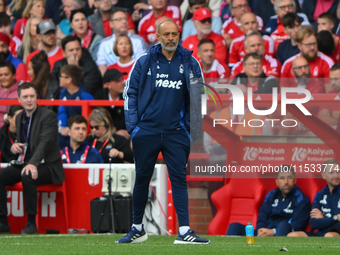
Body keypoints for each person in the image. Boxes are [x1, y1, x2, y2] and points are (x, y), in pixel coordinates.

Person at [116, 20, 209, 244]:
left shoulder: (190, 61)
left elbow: (199, 98)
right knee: (142, 179)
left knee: (178, 180)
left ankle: (184, 231)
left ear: (179, 35)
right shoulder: (144, 60)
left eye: (174, 34)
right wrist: (134, 128)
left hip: (177, 132)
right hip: (146, 130)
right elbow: (130, 93)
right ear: (157, 36)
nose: (170, 38)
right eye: (166, 34)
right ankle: (137, 228)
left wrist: (190, 131)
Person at [0, 82, 65, 234]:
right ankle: (3, 222)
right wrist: (15, 146)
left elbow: (45, 143)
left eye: (31, 96)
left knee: (27, 174)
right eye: (25, 97)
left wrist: (33, 164)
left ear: (37, 97)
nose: (29, 100)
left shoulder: (48, 116)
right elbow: (24, 141)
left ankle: (31, 223)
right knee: (1, 176)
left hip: (48, 165)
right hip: (25, 162)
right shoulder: (19, 117)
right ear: (19, 99)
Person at [227, 165, 311, 236]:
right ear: (277, 181)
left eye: (289, 178)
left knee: (283, 225)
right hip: (265, 232)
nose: (286, 182)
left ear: (295, 180)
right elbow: (262, 215)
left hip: (283, 235)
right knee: (234, 227)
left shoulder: (302, 199)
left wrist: (273, 231)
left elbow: (296, 226)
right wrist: (261, 231)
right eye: (282, 178)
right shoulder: (271, 195)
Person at [288, 159, 340, 237]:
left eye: (338, 172)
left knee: (329, 236)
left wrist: (323, 219)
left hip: (335, 233)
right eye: (331, 172)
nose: (336, 175)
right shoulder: (320, 195)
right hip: (320, 233)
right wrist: (335, 218)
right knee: (292, 235)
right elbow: (313, 224)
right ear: (324, 175)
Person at [96, 8, 146, 75]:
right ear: (111, 23)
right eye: (119, 19)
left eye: (126, 19)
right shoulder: (104, 44)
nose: (124, 21)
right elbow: (102, 67)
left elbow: (142, 66)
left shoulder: (139, 41)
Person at [57, 64, 94, 138]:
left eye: (61, 76)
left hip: (82, 130)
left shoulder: (84, 95)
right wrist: (63, 127)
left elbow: (91, 116)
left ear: (69, 80)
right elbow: (62, 111)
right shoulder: (63, 93)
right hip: (67, 129)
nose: (59, 78)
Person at [95, 69, 128, 140]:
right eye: (118, 81)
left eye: (122, 80)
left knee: (121, 134)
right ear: (108, 85)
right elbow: (98, 117)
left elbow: (128, 120)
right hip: (104, 130)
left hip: (123, 131)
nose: (123, 83)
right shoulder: (100, 95)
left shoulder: (128, 95)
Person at [0, 61, 22, 128]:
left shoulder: (22, 90)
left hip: (12, 129)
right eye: (0, 75)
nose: (3, 77)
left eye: (6, 74)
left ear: (13, 75)